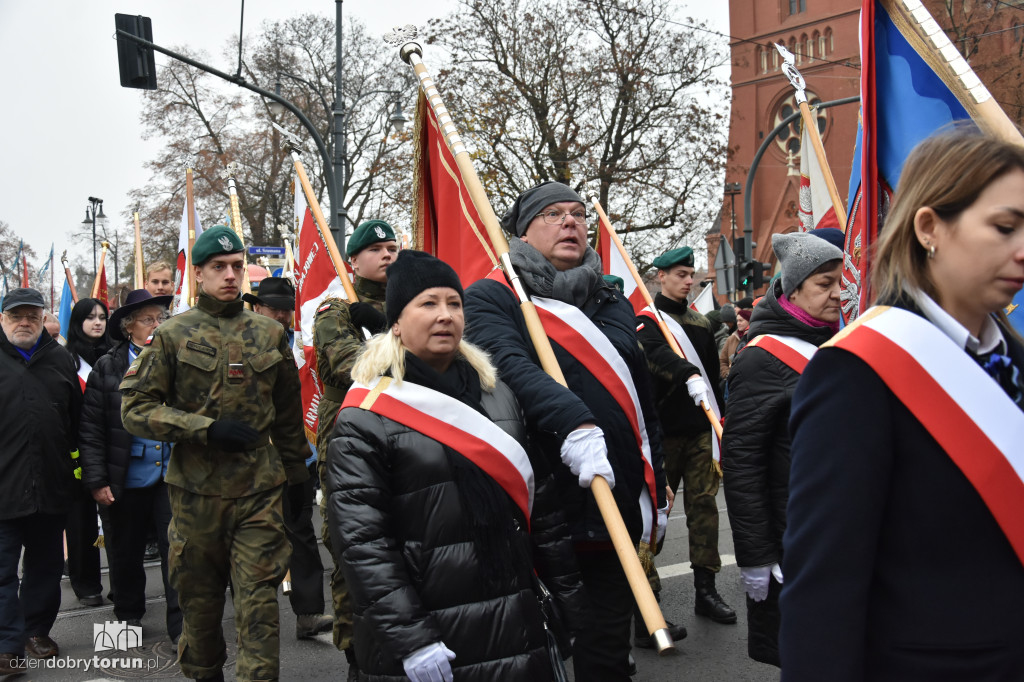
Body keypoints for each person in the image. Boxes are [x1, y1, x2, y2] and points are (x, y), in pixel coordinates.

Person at [781, 126, 1024, 680]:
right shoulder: (857, 372)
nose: (1022, 248)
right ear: (930, 226)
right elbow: (825, 590)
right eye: (1005, 226)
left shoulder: (1014, 356)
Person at [326, 250, 585, 682]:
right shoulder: (365, 416)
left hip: (516, 620)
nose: (445, 315)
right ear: (395, 321)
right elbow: (363, 544)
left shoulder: (497, 394)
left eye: (454, 303)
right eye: (428, 304)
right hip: (433, 629)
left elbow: (543, 510)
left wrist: (568, 603)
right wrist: (411, 638)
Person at [464, 181, 668, 681]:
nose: (571, 222)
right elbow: (507, 366)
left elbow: (642, 404)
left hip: (609, 501)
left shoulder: (610, 300)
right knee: (536, 654)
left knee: (607, 657)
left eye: (578, 213)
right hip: (538, 508)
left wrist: (655, 487)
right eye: (554, 213)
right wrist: (573, 422)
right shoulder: (492, 298)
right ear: (523, 231)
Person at [121, 225, 310, 682]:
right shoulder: (172, 335)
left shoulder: (269, 334)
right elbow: (135, 408)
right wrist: (204, 429)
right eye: (219, 268)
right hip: (195, 496)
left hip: (258, 492)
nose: (230, 276)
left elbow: (287, 416)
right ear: (199, 274)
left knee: (259, 605)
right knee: (200, 609)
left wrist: (297, 477)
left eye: (237, 267)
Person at [721, 230, 843, 667]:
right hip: (796, 536)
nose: (837, 293)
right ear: (792, 290)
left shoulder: (831, 341)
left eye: (839, 281)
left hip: (840, 529)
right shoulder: (760, 359)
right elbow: (741, 465)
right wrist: (755, 555)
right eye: (824, 284)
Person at [635, 246, 736, 643]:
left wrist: (720, 417)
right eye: (680, 274)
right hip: (662, 433)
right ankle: (649, 599)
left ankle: (706, 590)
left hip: (698, 431)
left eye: (691, 274)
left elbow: (711, 378)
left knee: (705, 509)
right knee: (654, 515)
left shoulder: (700, 322)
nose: (688, 281)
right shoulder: (647, 321)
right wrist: (686, 372)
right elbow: (653, 358)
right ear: (661, 276)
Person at [312, 219, 396, 664]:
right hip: (352, 438)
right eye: (376, 248)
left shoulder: (414, 302)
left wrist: (386, 324)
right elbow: (352, 367)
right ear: (353, 261)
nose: (387, 254)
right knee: (353, 546)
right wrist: (390, 334)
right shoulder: (335, 310)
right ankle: (355, 652)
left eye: (392, 247)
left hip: (408, 436)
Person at [79, 289, 181, 642]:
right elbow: (91, 430)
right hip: (125, 477)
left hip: (172, 476)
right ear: (128, 327)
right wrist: (97, 480)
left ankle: (181, 630)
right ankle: (126, 622)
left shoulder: (177, 358)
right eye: (148, 319)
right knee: (124, 553)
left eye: (160, 319)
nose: (156, 325)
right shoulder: (108, 367)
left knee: (178, 554)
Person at [244, 277, 333, 641]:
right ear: (257, 308)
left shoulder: (305, 353)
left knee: (300, 535)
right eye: (273, 308)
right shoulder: (240, 346)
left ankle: (309, 613)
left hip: (298, 457)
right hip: (251, 461)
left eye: (286, 308)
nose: (280, 315)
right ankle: (254, 622)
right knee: (252, 541)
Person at [0, 288, 82, 671]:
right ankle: (7, 648)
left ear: (43, 318)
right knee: (1, 573)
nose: (25, 322)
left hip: (51, 486)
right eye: (16, 316)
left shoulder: (61, 359)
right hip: (3, 489)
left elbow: (77, 422)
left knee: (45, 567)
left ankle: (37, 631)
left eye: (32, 315)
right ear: (2, 319)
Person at [65, 297, 112, 607]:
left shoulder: (115, 355)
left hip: (113, 449)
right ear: (78, 322)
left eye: (102, 317)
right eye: (90, 317)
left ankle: (122, 587)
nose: (97, 322)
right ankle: (87, 585)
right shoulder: (66, 360)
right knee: (81, 521)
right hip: (78, 455)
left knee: (117, 522)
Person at [720, 307, 750, 378]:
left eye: (741, 320)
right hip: (732, 381)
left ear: (749, 321)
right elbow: (722, 361)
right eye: (737, 321)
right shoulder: (731, 339)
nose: (738, 323)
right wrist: (727, 373)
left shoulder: (755, 338)